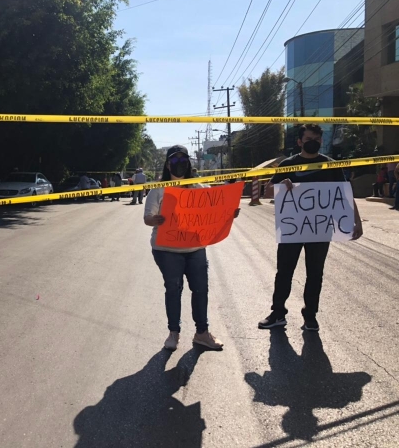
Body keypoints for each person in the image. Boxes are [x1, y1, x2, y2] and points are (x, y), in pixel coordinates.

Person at [258, 125, 363, 332]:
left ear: (321, 141)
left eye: (316, 138)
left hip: (320, 230)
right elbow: (267, 192)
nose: (312, 141)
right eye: (308, 138)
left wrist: (357, 220)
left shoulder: (330, 165)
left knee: (315, 273)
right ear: (299, 142)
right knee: (284, 272)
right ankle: (278, 313)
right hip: (293, 230)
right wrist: (281, 186)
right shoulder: (287, 164)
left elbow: (344, 193)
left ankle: (310, 316)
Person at [144, 145, 239, 351]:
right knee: (173, 289)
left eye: (183, 160)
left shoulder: (199, 188)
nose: (179, 165)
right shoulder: (158, 190)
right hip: (166, 250)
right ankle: (173, 333)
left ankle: (202, 333)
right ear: (167, 164)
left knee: (200, 289)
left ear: (189, 163)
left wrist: (229, 213)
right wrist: (155, 219)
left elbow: (215, 209)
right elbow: (147, 218)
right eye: (174, 161)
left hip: (195, 248)